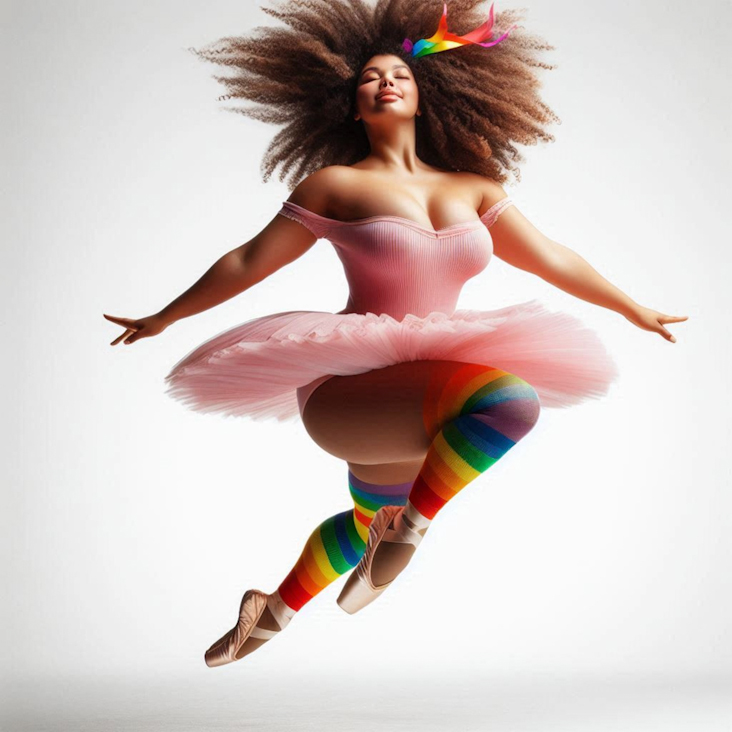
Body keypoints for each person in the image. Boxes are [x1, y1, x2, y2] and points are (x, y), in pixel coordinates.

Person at [103, 0, 687, 668]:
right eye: (369, 79)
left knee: (359, 525)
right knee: (508, 402)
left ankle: (272, 610)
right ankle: (407, 532)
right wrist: (165, 315)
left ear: (425, 95)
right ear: (351, 106)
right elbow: (246, 260)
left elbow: (552, 256)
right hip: (350, 386)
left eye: (399, 76)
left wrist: (631, 305)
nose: (385, 83)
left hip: (422, 387)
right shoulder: (335, 185)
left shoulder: (473, 189)